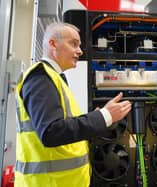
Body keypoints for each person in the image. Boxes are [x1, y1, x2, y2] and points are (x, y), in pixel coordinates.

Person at [15, 22, 131, 187]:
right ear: (53, 44)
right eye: (73, 44)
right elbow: (51, 132)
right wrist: (104, 116)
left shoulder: (55, 78)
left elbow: (62, 125)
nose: (80, 51)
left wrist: (97, 117)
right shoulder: (41, 77)